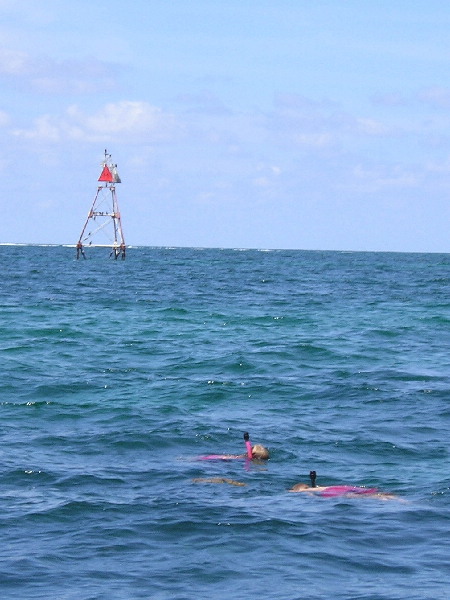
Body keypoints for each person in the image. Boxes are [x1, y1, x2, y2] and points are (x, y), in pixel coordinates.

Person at [288, 471, 399, 500]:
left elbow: (302, 491)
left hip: (340, 492)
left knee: (364, 496)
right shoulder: (323, 488)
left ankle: (386, 498)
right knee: (374, 494)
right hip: (345, 488)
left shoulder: (308, 491)